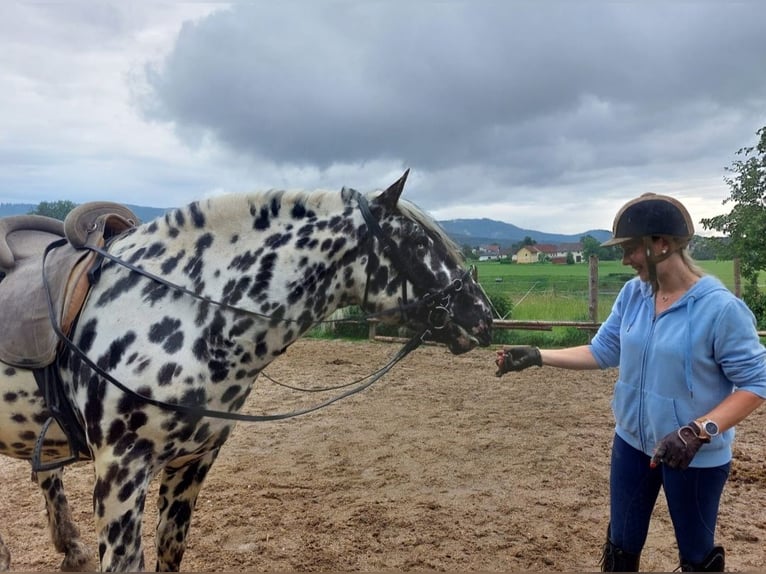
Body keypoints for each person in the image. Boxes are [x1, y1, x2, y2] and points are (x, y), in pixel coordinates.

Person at [495, 193, 766, 572]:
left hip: (691, 456)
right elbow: (604, 349)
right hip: (632, 445)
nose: (624, 260)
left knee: (696, 557)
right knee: (620, 548)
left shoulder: (720, 310)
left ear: (662, 245)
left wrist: (698, 430)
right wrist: (540, 356)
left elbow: (756, 383)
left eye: (631, 249)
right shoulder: (634, 296)